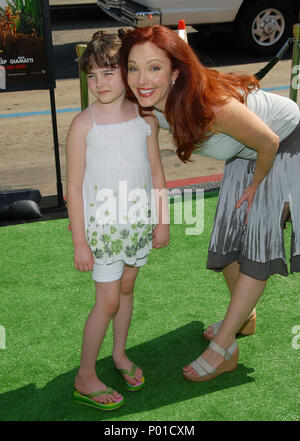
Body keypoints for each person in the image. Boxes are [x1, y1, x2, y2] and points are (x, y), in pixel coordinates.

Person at [119, 25, 300, 382]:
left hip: (283, 147)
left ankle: (223, 348)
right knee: (228, 244)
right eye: (133, 67)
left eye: (154, 68)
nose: (142, 79)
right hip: (248, 153)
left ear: (175, 72)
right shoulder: (146, 102)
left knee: (255, 248)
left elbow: (269, 141)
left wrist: (258, 186)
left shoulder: (211, 105)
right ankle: (243, 318)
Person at [66, 30, 169, 410]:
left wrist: (162, 221)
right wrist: (79, 242)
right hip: (103, 232)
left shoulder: (146, 119)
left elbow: (156, 173)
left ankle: (120, 354)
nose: (98, 83)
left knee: (126, 290)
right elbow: (74, 189)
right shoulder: (83, 126)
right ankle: (85, 375)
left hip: (137, 226)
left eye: (108, 73)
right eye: (91, 76)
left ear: (127, 73)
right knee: (106, 302)